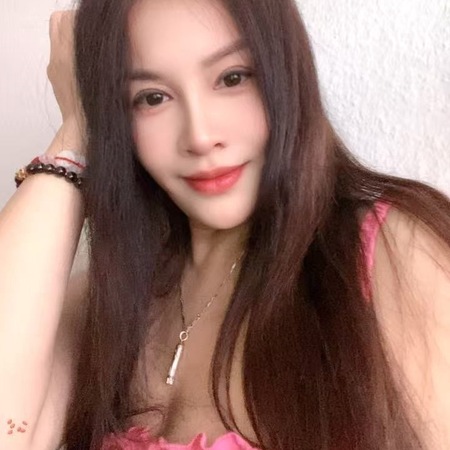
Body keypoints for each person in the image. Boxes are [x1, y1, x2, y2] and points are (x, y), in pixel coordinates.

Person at [1, 0, 449, 449]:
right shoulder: (106, 303)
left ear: (285, 74)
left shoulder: (390, 255)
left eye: (232, 78)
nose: (200, 136)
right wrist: (77, 132)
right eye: (151, 97)